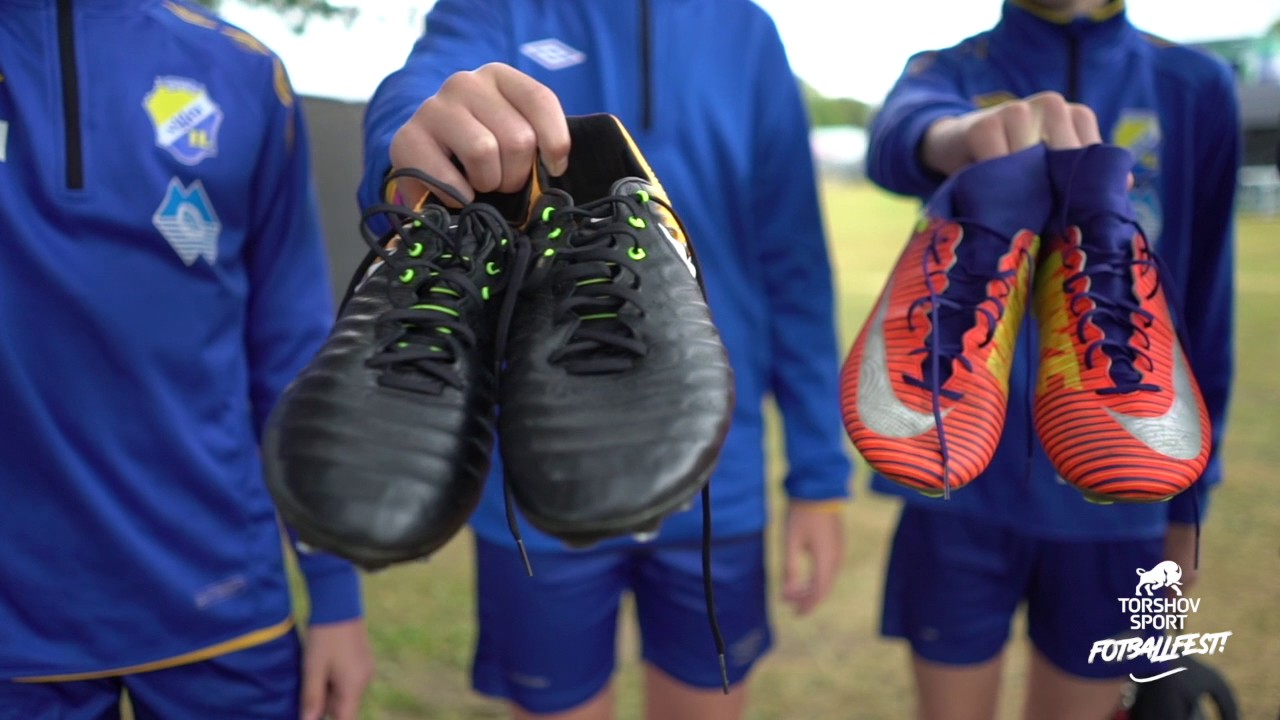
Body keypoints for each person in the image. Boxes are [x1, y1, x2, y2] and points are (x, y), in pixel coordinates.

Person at [359, 1, 853, 718]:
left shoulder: (745, 28)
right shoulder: (494, 8)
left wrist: (818, 475)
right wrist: (405, 143)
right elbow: (419, 96)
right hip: (537, 459)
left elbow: (794, 262)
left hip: (717, 466)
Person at [862, 1, 1238, 719]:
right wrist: (958, 139)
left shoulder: (1195, 82)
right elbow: (900, 133)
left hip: (1125, 492)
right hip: (957, 481)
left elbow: (1207, 306)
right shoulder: (950, 68)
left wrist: (1195, 501)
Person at [0, 1, 373, 718]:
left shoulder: (242, 72)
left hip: (219, 606)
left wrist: (335, 595)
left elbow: (290, 352)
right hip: (16, 634)